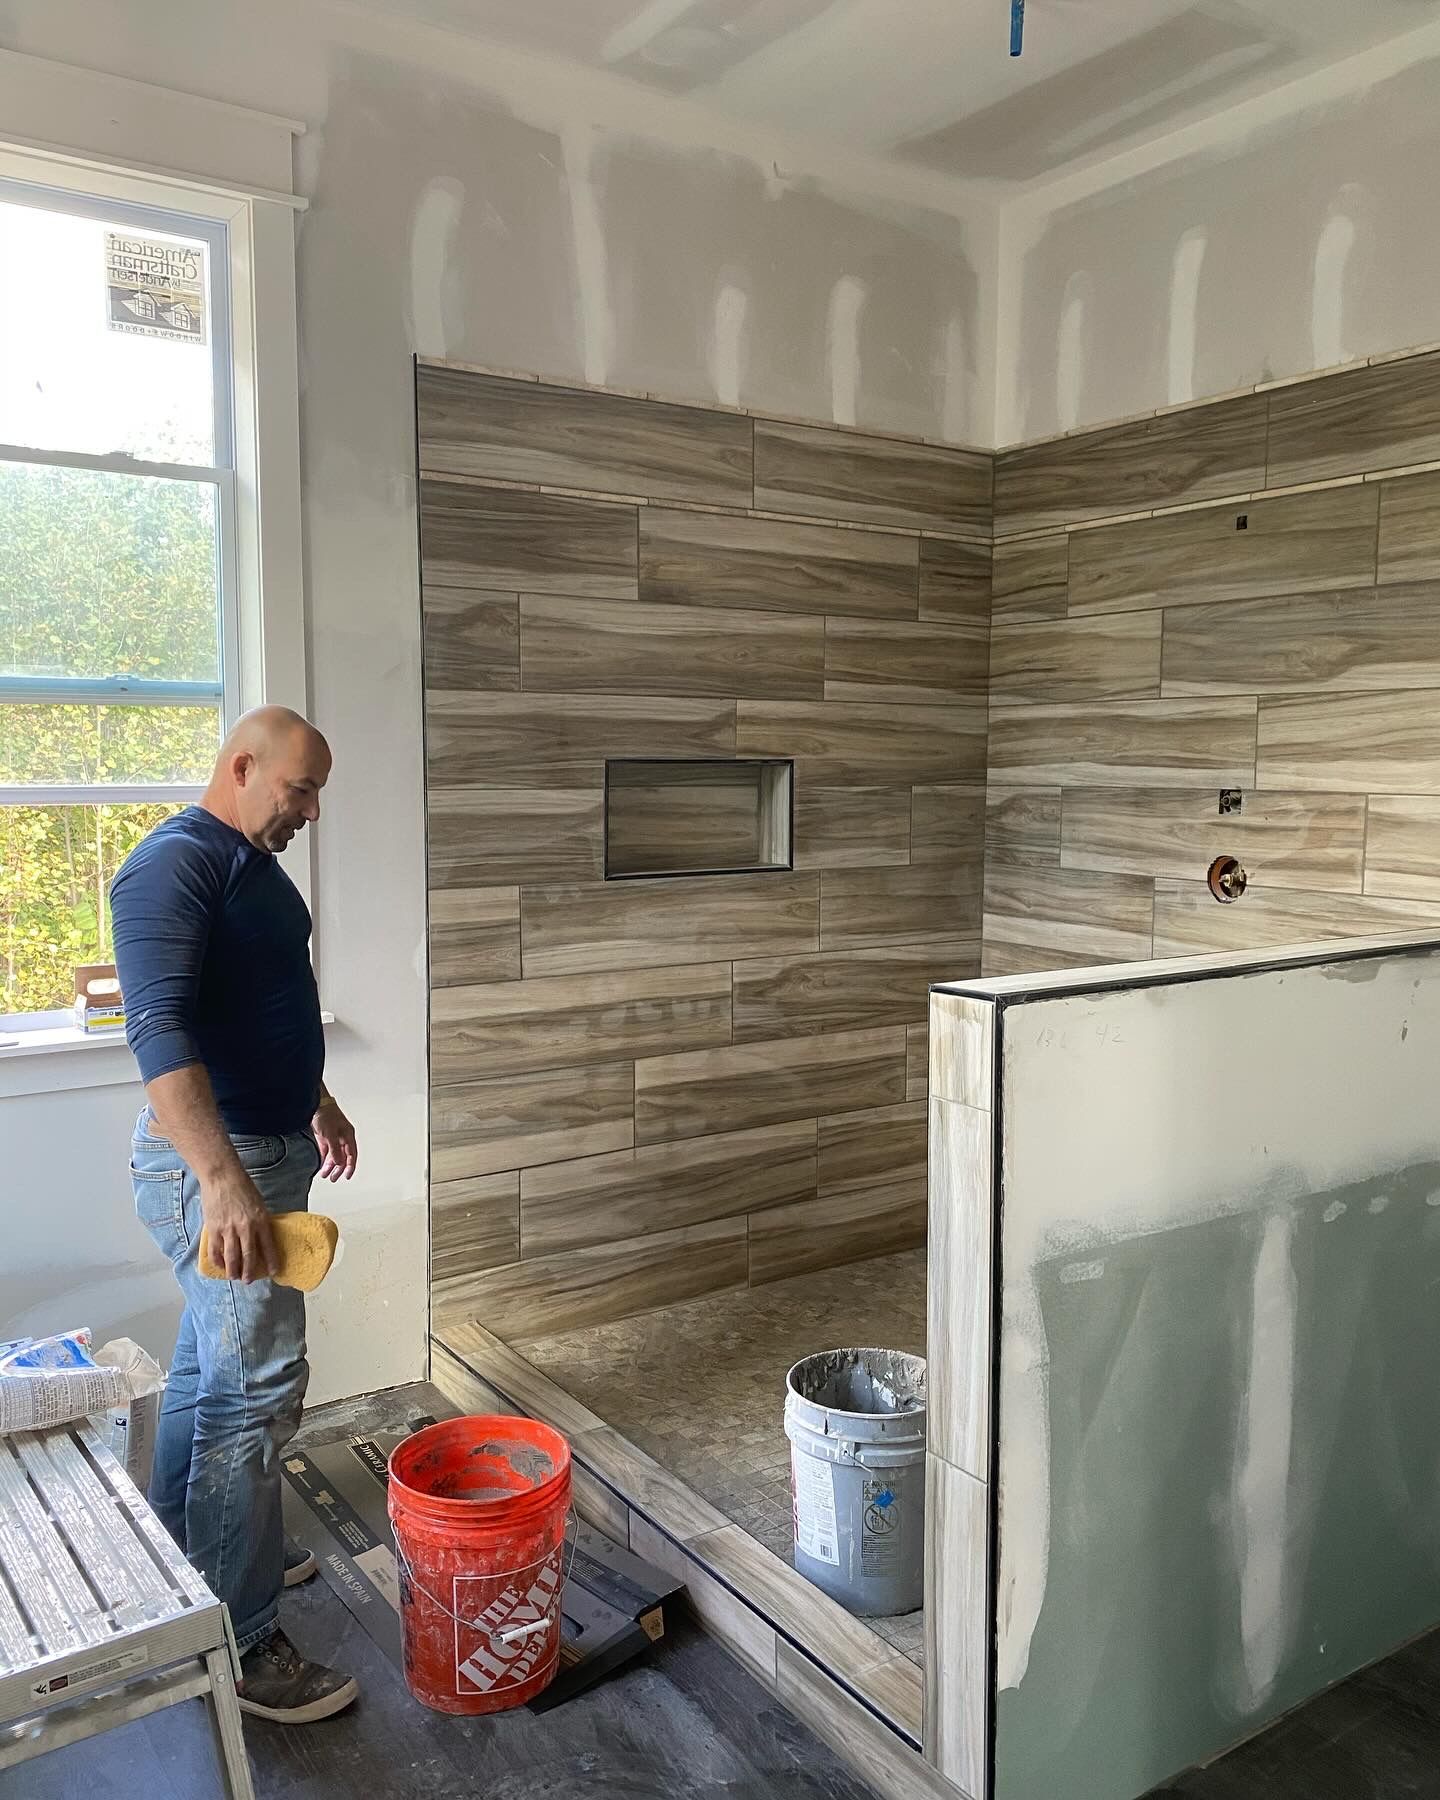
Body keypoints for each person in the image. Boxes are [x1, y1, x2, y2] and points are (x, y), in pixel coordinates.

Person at [111, 705, 359, 1724]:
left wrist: (317, 1097)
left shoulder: (252, 867)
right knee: (255, 1392)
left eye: (317, 794)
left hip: (265, 1146)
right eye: (300, 790)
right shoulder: (172, 865)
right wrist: (220, 1181)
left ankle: (194, 1552)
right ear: (243, 766)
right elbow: (158, 1027)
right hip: (218, 1169)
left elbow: (267, 1002)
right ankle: (240, 1642)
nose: (310, 811)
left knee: (214, 1371)